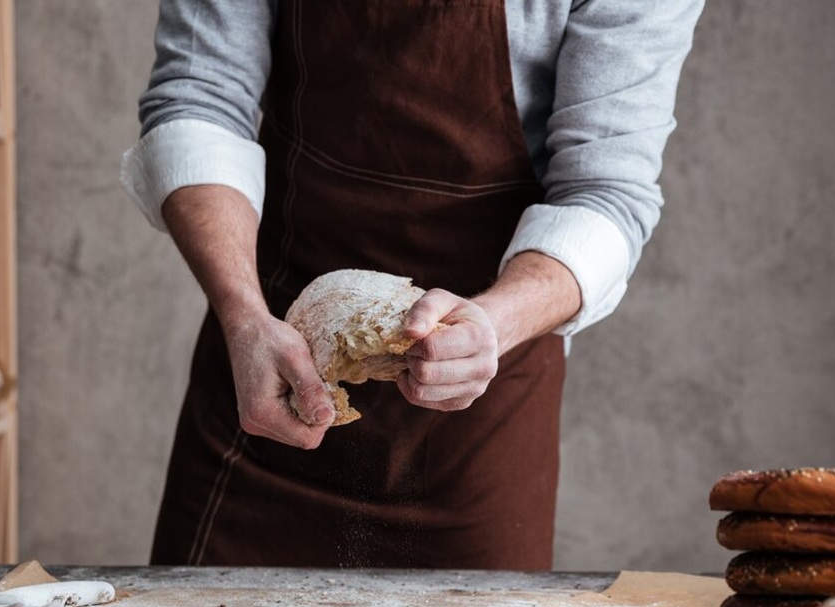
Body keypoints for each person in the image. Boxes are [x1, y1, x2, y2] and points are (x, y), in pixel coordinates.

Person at [122, 0, 705, 570]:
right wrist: (244, 314)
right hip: (268, 359)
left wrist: (491, 326)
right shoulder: (253, 325)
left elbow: (605, 191)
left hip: (484, 386)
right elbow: (199, 98)